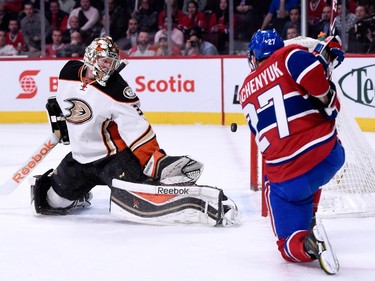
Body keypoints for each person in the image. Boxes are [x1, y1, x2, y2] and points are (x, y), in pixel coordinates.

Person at [30, 36, 240, 226]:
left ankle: (192, 200)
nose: (110, 68)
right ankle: (79, 196)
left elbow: (137, 130)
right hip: (79, 159)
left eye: (112, 63)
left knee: (139, 201)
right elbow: (70, 101)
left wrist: (155, 161)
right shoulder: (68, 72)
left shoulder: (117, 89)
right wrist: (62, 120)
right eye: (105, 61)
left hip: (112, 160)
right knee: (50, 202)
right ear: (91, 57)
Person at [239, 29, 345, 274]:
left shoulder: (245, 90)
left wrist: (322, 61)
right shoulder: (291, 56)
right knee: (317, 139)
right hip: (327, 157)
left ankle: (308, 243)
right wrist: (326, 60)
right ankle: (312, 219)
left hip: (286, 179)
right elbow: (327, 102)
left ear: (253, 57)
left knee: (287, 245)